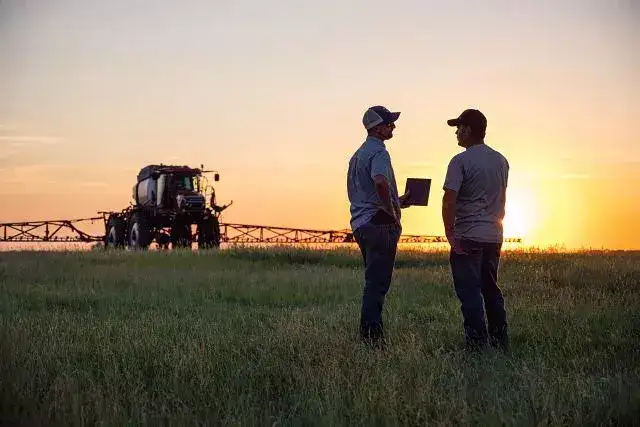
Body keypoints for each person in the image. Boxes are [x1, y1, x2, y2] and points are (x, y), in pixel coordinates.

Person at [441, 108, 510, 352]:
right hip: (494, 235)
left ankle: (476, 347)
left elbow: (449, 199)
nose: (457, 133)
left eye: (458, 128)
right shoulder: (501, 160)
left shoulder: (460, 161)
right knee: (490, 288)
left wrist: (450, 234)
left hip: (468, 235)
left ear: (469, 129)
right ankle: (500, 342)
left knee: (470, 292)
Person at [347, 105, 411, 346]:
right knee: (378, 284)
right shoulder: (380, 153)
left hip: (361, 223)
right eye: (389, 123)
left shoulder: (357, 155)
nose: (393, 127)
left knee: (372, 281)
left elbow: (366, 192)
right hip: (379, 224)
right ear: (377, 127)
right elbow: (380, 182)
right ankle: (372, 339)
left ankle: (370, 335)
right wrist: (391, 211)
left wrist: (398, 201)